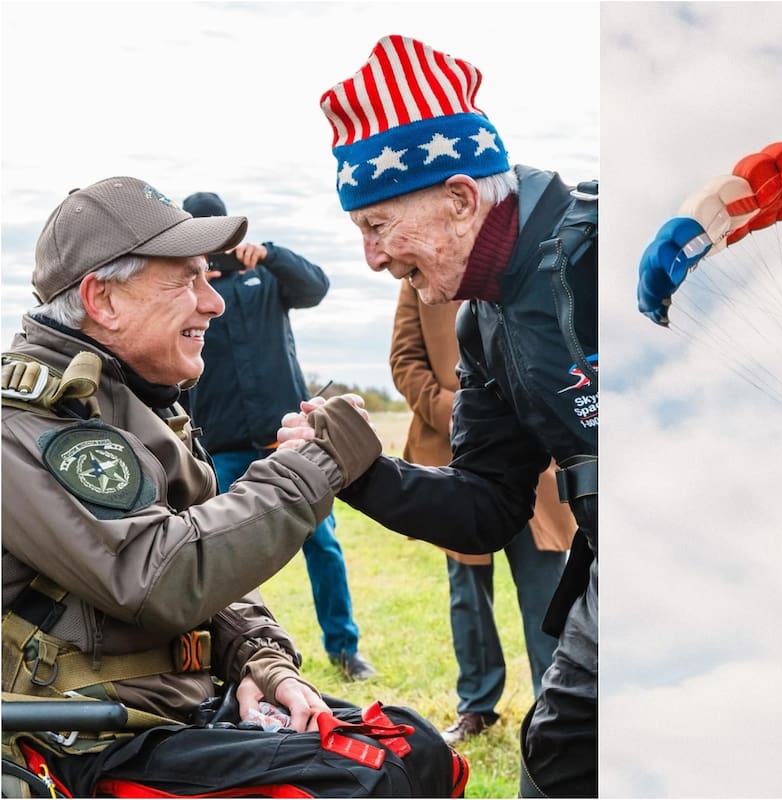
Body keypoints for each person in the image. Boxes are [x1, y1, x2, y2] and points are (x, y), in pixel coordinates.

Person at [0, 176, 458, 796]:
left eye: (209, 277)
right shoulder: (31, 422)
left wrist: (263, 665)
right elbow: (162, 574)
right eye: (187, 280)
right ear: (102, 300)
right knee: (362, 783)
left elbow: (207, 567)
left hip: (170, 713)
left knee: (418, 749)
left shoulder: (136, 404)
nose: (212, 302)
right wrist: (316, 463)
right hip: (82, 740)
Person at [284, 35, 599, 797]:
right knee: (557, 755)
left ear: (460, 198)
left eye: (376, 226)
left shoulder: (599, 250)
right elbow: (489, 507)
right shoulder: (479, 323)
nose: (372, 259)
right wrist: (359, 470)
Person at [181, 190, 375, 682]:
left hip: (283, 440)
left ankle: (345, 649)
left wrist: (271, 253)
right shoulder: (189, 290)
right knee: (213, 552)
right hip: (218, 446)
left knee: (322, 545)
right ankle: (219, 655)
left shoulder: (265, 274)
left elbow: (315, 288)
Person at [389, 280, 573, 745]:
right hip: (454, 455)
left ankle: (555, 709)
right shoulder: (419, 281)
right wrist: (458, 409)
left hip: (535, 455)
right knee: (467, 594)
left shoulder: (525, 266)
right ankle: (477, 705)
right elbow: (405, 361)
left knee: (546, 591)